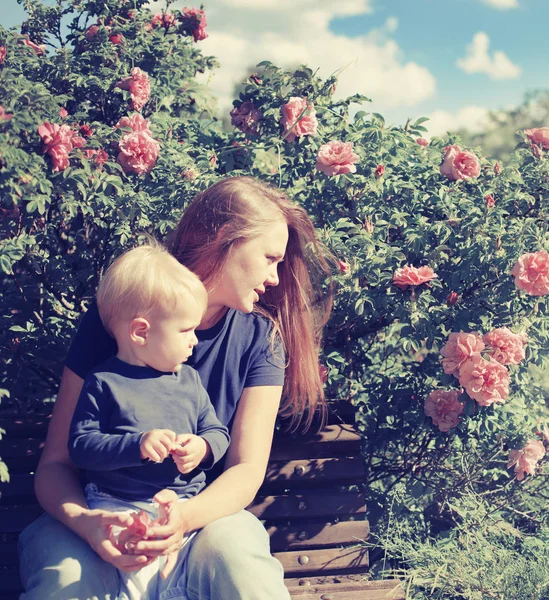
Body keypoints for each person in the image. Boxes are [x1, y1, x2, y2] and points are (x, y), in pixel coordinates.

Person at [18, 176, 333, 600]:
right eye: (269, 258)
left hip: (199, 522)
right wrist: (88, 523)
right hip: (99, 516)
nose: (276, 278)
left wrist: (182, 519)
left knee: (239, 555)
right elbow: (56, 464)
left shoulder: (260, 338)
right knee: (66, 578)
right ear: (225, 240)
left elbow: (245, 470)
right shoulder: (119, 320)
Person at [68, 243, 231, 600]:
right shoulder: (104, 382)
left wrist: (203, 448)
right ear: (140, 332)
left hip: (183, 504)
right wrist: (135, 445)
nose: (195, 340)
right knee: (137, 578)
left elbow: (217, 431)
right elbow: (81, 447)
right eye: (186, 330)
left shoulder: (189, 381)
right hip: (117, 503)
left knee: (184, 582)